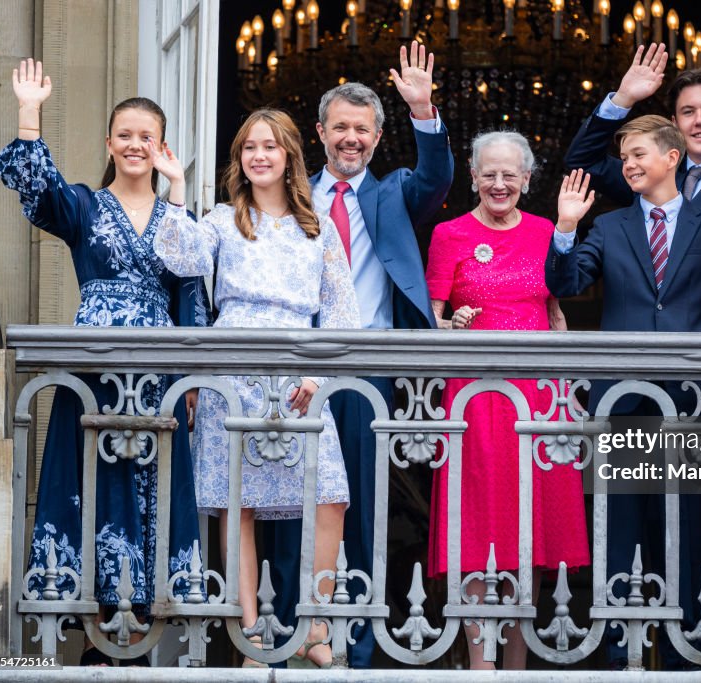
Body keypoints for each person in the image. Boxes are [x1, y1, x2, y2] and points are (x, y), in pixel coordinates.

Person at [0, 59, 209, 666]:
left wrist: (190, 376)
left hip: (162, 371)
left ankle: (142, 628)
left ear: (161, 146)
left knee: (155, 488)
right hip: (94, 368)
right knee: (90, 480)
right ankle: (91, 627)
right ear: (109, 143)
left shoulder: (175, 216)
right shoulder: (86, 206)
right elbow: (38, 194)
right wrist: (30, 114)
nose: (135, 144)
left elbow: (190, 287)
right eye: (125, 135)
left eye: (147, 136)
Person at [265, 41, 454, 669]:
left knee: (370, 509)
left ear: (377, 137)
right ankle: (292, 633)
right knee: (292, 502)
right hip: (297, 368)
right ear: (319, 132)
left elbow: (437, 179)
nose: (351, 138)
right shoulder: (290, 198)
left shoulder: (395, 192)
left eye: (362, 129)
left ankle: (368, 643)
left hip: (370, 369)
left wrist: (423, 108)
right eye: (340, 127)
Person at [152, 108, 360, 667]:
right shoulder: (223, 219)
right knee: (237, 505)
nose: (259, 156)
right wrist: (174, 188)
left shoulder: (317, 225)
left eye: (270, 146)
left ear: (290, 154)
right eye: (249, 148)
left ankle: (314, 626)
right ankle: (252, 635)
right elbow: (179, 258)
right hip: (235, 368)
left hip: (300, 371)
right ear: (239, 159)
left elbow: (342, 311)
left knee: (330, 496)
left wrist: (318, 377)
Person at [546, 116, 701, 670]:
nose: (629, 166)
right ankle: (622, 660)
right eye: (624, 159)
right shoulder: (610, 228)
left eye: (639, 155)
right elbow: (566, 284)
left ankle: (692, 658)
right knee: (622, 535)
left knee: (689, 536)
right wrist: (565, 228)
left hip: (693, 407)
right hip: (624, 407)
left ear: (672, 157)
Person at [424, 131, 591, 670]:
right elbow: (431, 321)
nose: (499, 183)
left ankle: (517, 662)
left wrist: (566, 389)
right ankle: (481, 663)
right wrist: (454, 324)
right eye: (488, 173)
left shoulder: (547, 231)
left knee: (532, 526)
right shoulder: (449, 234)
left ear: (526, 179)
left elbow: (559, 314)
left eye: (510, 174)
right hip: (473, 398)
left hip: (537, 394)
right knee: (475, 523)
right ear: (472, 177)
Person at [564, 44, 701, 333]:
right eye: (688, 112)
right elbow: (582, 160)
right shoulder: (650, 176)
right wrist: (624, 98)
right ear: (675, 125)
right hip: (638, 351)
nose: (700, 121)